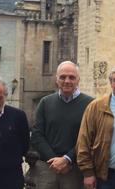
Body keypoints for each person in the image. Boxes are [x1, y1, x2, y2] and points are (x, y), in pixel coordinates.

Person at [31, 61, 94, 189]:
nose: (67, 81)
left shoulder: (90, 104)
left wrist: (67, 159)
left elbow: (90, 138)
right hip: (47, 168)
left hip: (75, 169)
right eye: (63, 77)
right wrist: (55, 160)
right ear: (57, 79)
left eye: (72, 77)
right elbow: (37, 135)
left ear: (78, 80)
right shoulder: (45, 102)